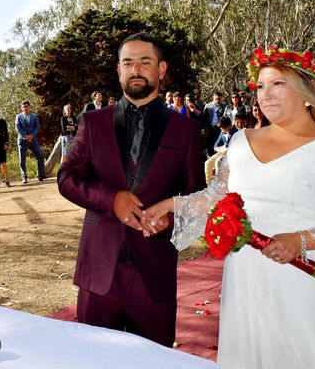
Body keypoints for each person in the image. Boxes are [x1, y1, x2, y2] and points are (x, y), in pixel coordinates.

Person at [144, 46, 315, 369]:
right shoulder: (241, 141)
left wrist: (300, 240)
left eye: (277, 84)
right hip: (246, 282)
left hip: (305, 283)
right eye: (260, 86)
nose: (265, 95)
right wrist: (171, 205)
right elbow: (216, 195)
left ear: (306, 91)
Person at [58, 32, 205, 347]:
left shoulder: (188, 131)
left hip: (154, 275)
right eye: (128, 62)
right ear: (119, 71)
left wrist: (171, 220)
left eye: (145, 61)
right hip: (99, 277)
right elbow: (66, 178)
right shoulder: (92, 123)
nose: (136, 69)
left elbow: (197, 197)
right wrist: (111, 200)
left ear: (161, 69)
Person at [15, 100, 46, 183]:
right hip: (22, 140)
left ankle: (41, 175)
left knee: (40, 155)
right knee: (22, 160)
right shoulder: (18, 116)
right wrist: (25, 136)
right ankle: (24, 177)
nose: (25, 108)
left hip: (33, 140)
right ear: (21, 108)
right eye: (23, 106)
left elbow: (37, 127)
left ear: (29, 107)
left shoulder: (34, 116)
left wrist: (31, 136)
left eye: (26, 106)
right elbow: (18, 128)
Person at [203, 91, 227, 156]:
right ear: (213, 98)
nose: (218, 101)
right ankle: (210, 158)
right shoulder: (208, 106)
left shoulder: (224, 106)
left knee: (219, 144)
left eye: (219, 99)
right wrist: (206, 128)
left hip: (219, 128)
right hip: (210, 128)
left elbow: (225, 117)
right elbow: (204, 118)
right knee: (210, 144)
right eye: (217, 99)